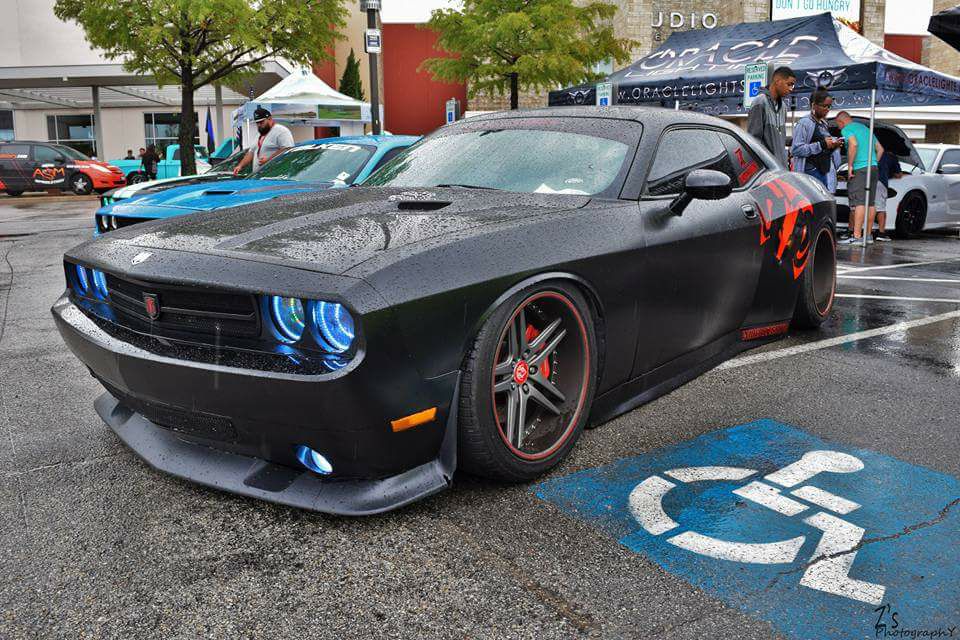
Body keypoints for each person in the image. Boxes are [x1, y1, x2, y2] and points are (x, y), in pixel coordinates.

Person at [835, 111, 884, 245]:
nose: (839, 128)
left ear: (841, 122)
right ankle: (868, 236)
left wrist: (850, 166)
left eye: (838, 125)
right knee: (871, 203)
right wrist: (873, 163)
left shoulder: (847, 129)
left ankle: (856, 236)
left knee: (859, 202)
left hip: (860, 168)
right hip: (873, 168)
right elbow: (880, 149)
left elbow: (853, 144)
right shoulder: (866, 129)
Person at [790, 89, 843, 192]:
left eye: (829, 106)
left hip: (824, 173)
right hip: (810, 173)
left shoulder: (824, 124)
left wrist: (833, 146)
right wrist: (822, 144)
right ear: (814, 105)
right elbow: (796, 149)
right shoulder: (804, 123)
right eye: (824, 106)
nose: (827, 109)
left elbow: (824, 148)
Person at [747, 66, 796, 167]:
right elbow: (753, 141)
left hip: (781, 168)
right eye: (789, 84)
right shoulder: (760, 102)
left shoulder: (784, 107)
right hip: (767, 170)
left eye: (792, 85)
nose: (791, 89)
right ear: (777, 81)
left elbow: (777, 139)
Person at [233, 107, 294, 175]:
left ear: (270, 119)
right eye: (257, 123)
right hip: (259, 176)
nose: (259, 125)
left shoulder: (281, 131)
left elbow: (287, 149)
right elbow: (251, 152)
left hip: (275, 176)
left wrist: (269, 160)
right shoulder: (259, 134)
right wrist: (240, 166)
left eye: (261, 122)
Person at [872, 150, 904, 242]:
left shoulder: (868, 152)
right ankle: (881, 234)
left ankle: (867, 233)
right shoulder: (891, 156)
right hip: (880, 182)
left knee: (868, 207)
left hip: (865, 181)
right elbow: (898, 174)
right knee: (880, 209)